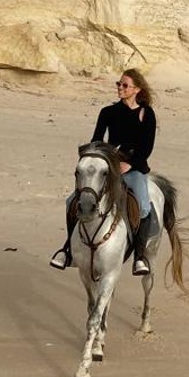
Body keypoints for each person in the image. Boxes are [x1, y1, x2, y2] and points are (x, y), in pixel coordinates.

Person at [50, 68, 158, 275]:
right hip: (108, 169)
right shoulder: (108, 112)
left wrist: (131, 164)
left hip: (134, 169)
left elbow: (147, 147)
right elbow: (97, 140)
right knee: (71, 201)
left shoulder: (147, 113)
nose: (120, 88)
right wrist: (92, 155)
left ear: (136, 89)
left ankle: (139, 257)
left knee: (144, 207)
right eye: (118, 84)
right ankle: (67, 250)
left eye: (125, 85)